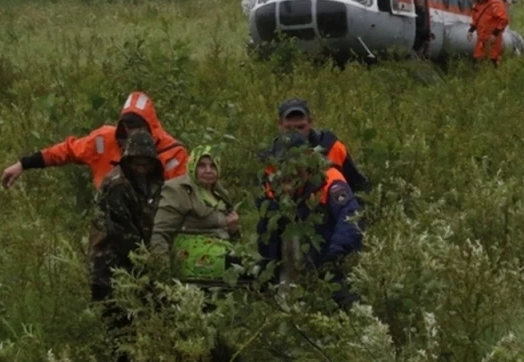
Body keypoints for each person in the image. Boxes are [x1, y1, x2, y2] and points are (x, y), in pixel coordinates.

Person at [256, 131, 364, 308]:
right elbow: (264, 242)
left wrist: (334, 256)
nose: (288, 169)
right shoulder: (272, 189)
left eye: (293, 162)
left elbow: (352, 217)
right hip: (286, 278)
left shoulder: (329, 180)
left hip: (329, 271)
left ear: (307, 158)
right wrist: (280, 203)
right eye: (282, 163)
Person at [0, 90, 188, 189]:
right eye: (128, 126)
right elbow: (67, 150)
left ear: (150, 127)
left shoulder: (173, 153)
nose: (132, 133)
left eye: (138, 126)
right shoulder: (104, 140)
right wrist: (24, 164)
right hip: (109, 225)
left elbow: (180, 200)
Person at [88, 130, 165, 304]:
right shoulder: (117, 184)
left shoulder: (152, 184)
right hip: (110, 269)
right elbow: (123, 234)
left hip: (136, 267)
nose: (141, 169)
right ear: (129, 161)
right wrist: (150, 262)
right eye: (137, 164)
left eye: (146, 164)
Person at [151, 145, 240, 284]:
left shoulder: (221, 193)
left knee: (253, 265)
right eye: (202, 166)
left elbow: (230, 235)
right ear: (192, 166)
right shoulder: (178, 190)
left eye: (213, 166)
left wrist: (234, 230)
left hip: (222, 251)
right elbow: (160, 233)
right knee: (238, 266)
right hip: (191, 256)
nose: (208, 170)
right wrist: (163, 275)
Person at [275, 98, 370, 193]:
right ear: (279, 125)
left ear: (310, 122)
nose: (295, 133)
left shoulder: (332, 147)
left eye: (301, 127)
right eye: (289, 128)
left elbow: (359, 186)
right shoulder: (271, 157)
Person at [467, 0, 510, 67]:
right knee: (477, 58)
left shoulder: (495, 4)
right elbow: (475, 20)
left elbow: (503, 20)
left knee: (493, 59)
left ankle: (495, 76)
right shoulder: (477, 6)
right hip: (482, 38)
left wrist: (494, 34)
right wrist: (470, 31)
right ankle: (479, 77)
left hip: (493, 38)